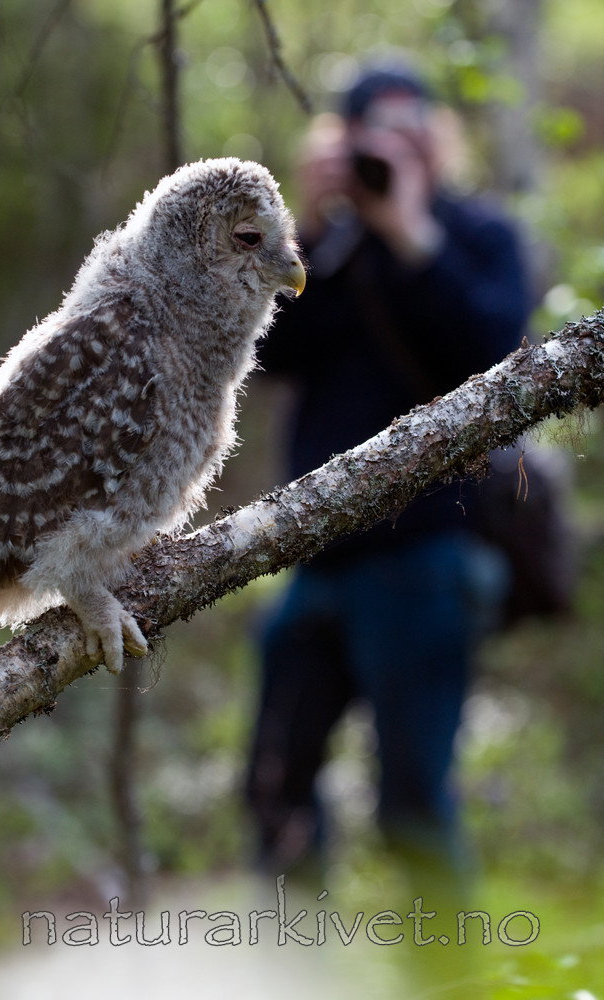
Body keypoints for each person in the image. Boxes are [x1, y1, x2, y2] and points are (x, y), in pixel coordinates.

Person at [244, 63, 532, 888]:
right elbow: (265, 355)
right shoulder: (327, 248)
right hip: (316, 564)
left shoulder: (479, 236)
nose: (394, 154)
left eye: (412, 134)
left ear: (437, 139)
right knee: (276, 792)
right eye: (376, 138)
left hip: (428, 561)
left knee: (411, 808)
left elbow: (494, 359)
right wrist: (295, 234)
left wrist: (410, 233)